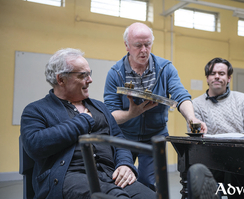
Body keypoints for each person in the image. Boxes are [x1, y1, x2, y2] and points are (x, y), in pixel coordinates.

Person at [20, 48, 156, 199]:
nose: (90, 80)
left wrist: (125, 164)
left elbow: (119, 140)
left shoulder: (100, 107)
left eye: (89, 73)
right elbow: (34, 145)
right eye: (83, 75)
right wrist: (83, 121)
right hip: (67, 178)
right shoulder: (36, 110)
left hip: (110, 175)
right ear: (61, 79)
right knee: (116, 197)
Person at [103, 22, 207, 190]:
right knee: (119, 180)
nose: (144, 50)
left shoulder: (165, 69)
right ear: (127, 45)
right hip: (123, 137)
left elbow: (180, 95)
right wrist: (132, 113)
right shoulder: (115, 73)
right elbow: (110, 114)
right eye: (138, 45)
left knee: (149, 183)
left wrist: (192, 118)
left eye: (148, 44)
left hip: (154, 135)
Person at [191, 57, 244, 199]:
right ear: (207, 78)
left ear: (229, 78)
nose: (217, 76)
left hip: (242, 158)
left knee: (241, 173)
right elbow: (198, 138)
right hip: (212, 159)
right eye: (212, 73)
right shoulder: (196, 104)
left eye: (221, 73)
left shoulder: (241, 99)